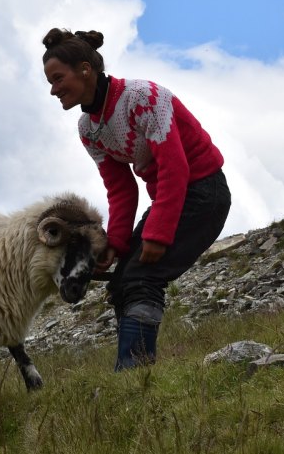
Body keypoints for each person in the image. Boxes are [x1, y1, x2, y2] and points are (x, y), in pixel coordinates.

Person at [42, 28, 232, 371]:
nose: (53, 89)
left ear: (85, 69)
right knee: (121, 280)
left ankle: (134, 371)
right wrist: (115, 243)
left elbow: (176, 168)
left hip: (204, 193)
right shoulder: (88, 129)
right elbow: (121, 189)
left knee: (143, 277)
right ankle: (133, 373)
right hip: (170, 201)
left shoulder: (143, 97)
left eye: (58, 78)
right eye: (50, 82)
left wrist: (157, 235)